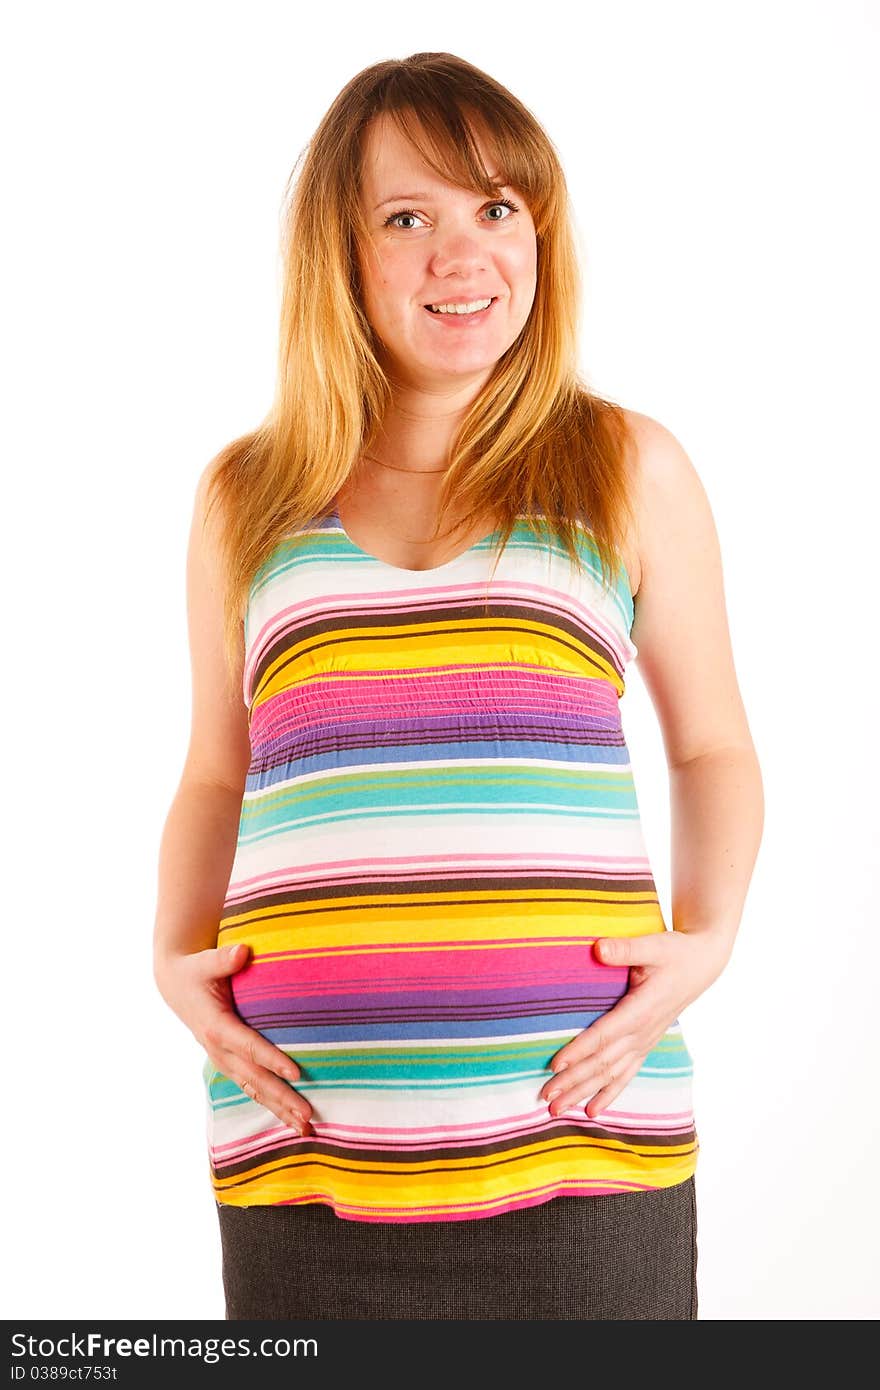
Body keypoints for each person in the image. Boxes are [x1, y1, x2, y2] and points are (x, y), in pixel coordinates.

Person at [153, 51, 764, 1321]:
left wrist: (706, 942)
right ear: (342, 252)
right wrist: (169, 956)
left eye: (496, 208)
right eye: (405, 217)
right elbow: (217, 768)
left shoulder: (623, 466)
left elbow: (711, 746)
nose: (460, 254)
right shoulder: (246, 498)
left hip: (581, 1145)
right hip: (306, 1155)